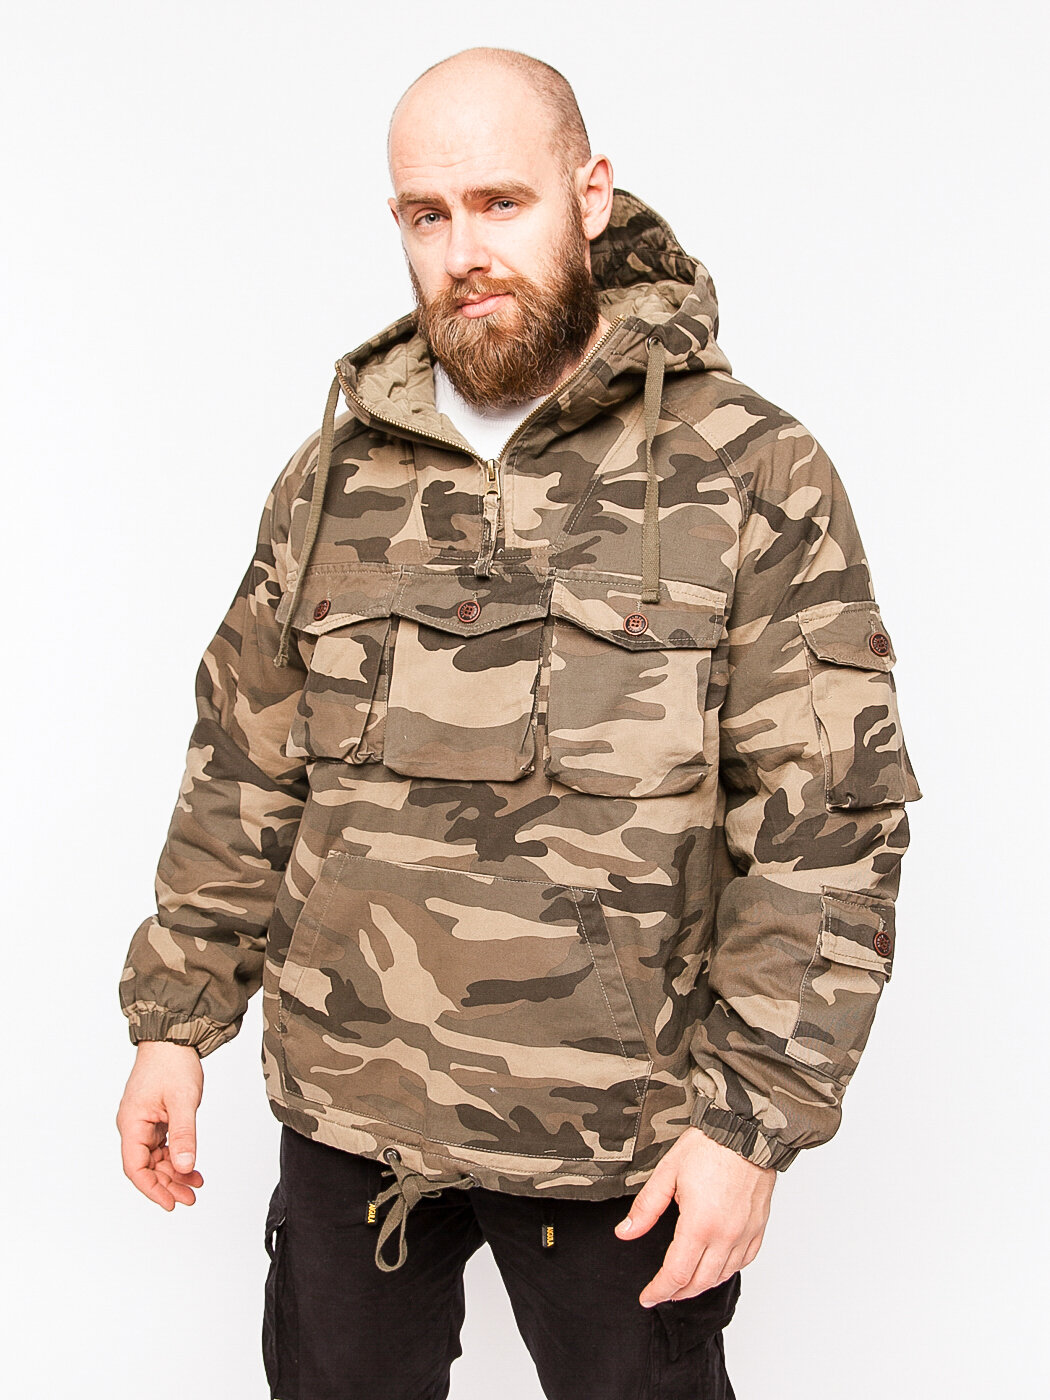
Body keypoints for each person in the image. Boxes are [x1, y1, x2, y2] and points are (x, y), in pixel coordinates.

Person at [116, 46, 921, 1400]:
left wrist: (751, 1125)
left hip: (621, 1137)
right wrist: (173, 1021)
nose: (462, 253)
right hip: (350, 1119)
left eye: (501, 202)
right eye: (425, 215)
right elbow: (243, 760)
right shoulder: (333, 477)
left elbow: (827, 820)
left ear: (589, 194)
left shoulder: (747, 469)